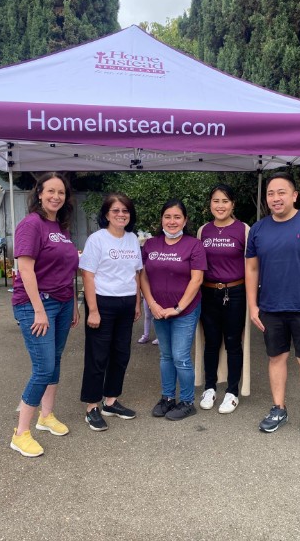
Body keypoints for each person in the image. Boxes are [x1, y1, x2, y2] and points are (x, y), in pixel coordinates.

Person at [245, 172, 300, 442]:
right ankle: (278, 409)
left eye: (281, 192)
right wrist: (253, 306)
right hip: (271, 307)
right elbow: (251, 269)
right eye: (271, 193)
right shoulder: (258, 229)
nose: (275, 198)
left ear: (294, 195)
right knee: (276, 358)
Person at [10, 172, 79, 458]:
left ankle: (46, 416)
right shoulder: (31, 224)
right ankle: (20, 434)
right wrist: (39, 310)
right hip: (36, 305)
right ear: (39, 193)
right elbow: (26, 269)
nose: (56, 197)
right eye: (50, 191)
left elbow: (67, 269)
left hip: (62, 303)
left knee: (55, 361)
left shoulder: (60, 228)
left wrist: (74, 304)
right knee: (43, 367)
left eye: (61, 192)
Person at [80, 193, 142, 432]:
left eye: (125, 211)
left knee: (121, 354)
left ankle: (111, 401)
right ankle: (92, 407)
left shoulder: (132, 239)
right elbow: (88, 275)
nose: (121, 215)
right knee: (98, 356)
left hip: (126, 303)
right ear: (106, 214)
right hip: (102, 303)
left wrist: (137, 303)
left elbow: (136, 273)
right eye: (115, 210)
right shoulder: (97, 240)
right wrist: (93, 310)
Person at [140, 199, 207, 421]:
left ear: (185, 220)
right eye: (167, 216)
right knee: (166, 355)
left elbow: (197, 280)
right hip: (159, 310)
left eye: (177, 217)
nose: (172, 221)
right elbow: (143, 276)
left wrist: (177, 308)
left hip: (184, 311)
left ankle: (187, 402)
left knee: (181, 357)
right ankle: (167, 397)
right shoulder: (150, 245)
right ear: (161, 220)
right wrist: (152, 304)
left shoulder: (194, 245)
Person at [196, 184, 250, 414]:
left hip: (235, 293)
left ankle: (232, 391)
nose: (220, 206)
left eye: (225, 201)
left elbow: (252, 266)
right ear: (210, 204)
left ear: (233, 204)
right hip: (208, 293)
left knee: (233, 342)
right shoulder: (203, 231)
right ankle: (210, 388)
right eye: (216, 201)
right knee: (211, 342)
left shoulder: (243, 230)